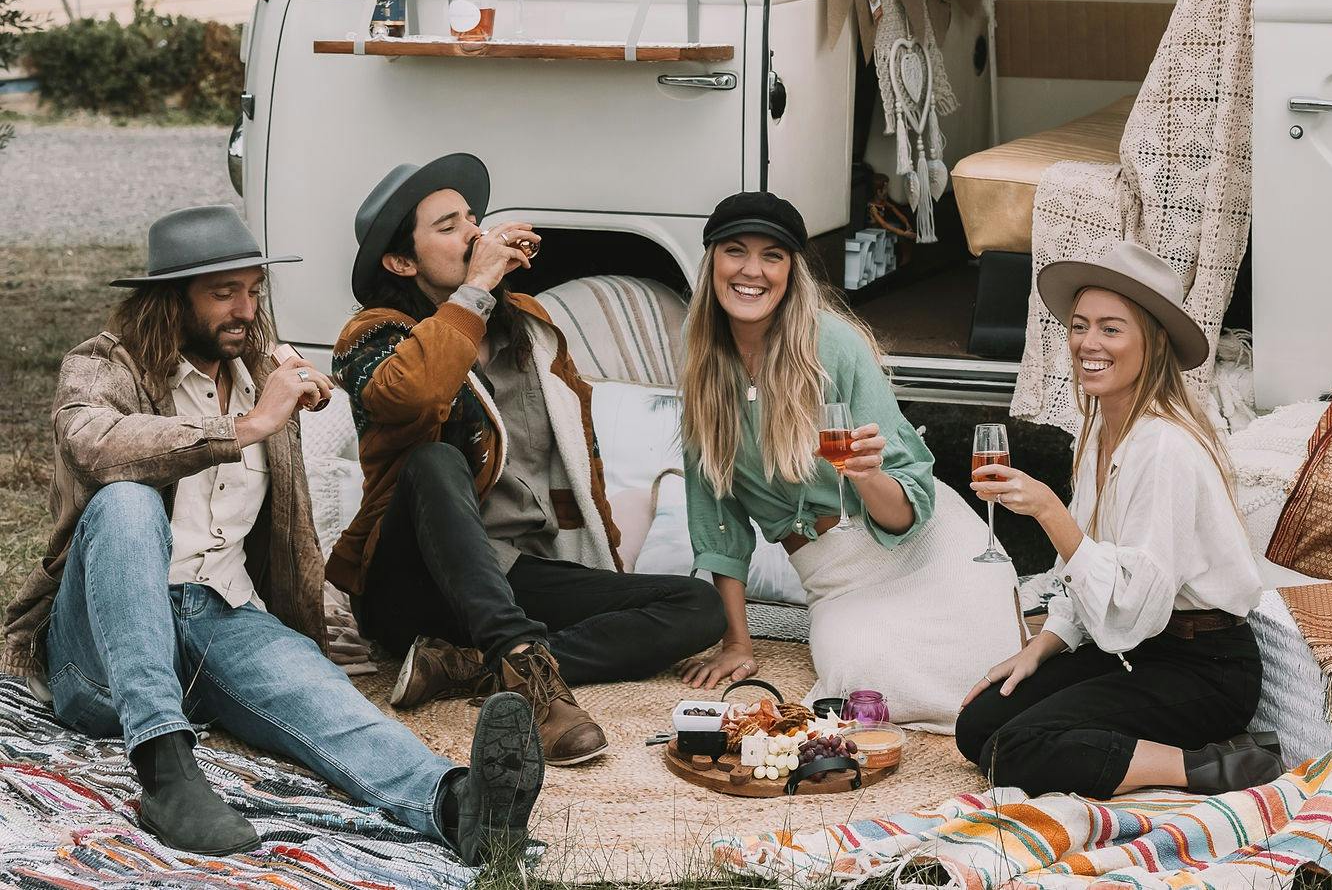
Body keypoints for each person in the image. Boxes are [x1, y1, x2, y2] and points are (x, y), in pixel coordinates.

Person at [0, 206, 542, 864]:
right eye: (223, 293)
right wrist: (247, 427)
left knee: (325, 701)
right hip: (103, 654)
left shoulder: (263, 374)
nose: (246, 310)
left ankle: (463, 808)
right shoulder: (101, 367)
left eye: (253, 291)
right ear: (171, 301)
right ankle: (166, 770)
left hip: (221, 617)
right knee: (125, 501)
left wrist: (287, 402)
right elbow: (97, 442)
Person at [327, 154, 724, 766]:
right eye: (448, 227)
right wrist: (476, 288)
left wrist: (600, 555)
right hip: (412, 579)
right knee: (433, 461)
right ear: (403, 262)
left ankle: (471, 667)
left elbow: (571, 459)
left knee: (696, 607)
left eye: (472, 220)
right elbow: (416, 396)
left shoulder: (530, 331)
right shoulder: (372, 337)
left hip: (512, 572)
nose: (474, 234)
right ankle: (526, 672)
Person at [675, 192, 1023, 732]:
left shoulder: (832, 345)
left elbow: (908, 513)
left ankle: (1031, 619)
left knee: (991, 675)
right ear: (711, 262)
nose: (752, 271)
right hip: (834, 574)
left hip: (924, 543)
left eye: (773, 256)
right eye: (735, 251)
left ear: (792, 271)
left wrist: (866, 474)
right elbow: (717, 519)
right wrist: (737, 642)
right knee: (859, 679)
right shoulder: (698, 360)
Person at [954, 240, 1279, 798]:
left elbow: (1137, 606)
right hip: (1137, 649)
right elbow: (1091, 588)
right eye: (1080, 326)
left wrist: (1050, 513)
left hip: (1204, 668)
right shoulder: (1102, 429)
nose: (1087, 343)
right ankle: (1111, 743)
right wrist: (1043, 645)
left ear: (1150, 344)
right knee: (979, 724)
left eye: (1110, 329)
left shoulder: (1165, 448)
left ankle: (1210, 764)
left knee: (1014, 750)